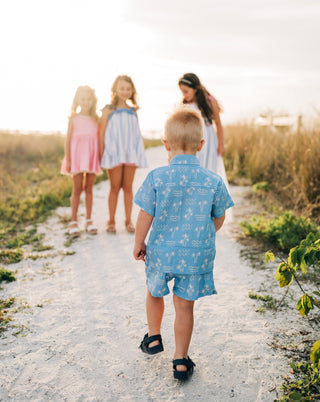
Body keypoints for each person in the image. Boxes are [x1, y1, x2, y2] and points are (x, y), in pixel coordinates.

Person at [133, 109, 234, 381]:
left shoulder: (157, 177)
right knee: (185, 306)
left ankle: (154, 337)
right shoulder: (212, 180)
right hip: (195, 256)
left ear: (166, 144)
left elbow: (145, 214)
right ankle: (180, 360)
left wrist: (139, 241)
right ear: (201, 145)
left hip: (162, 252)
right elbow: (220, 215)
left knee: (155, 292)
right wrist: (205, 232)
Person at [100, 75, 147, 234]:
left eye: (128, 89)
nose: (125, 91)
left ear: (132, 91)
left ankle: (128, 221)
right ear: (115, 89)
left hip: (130, 153)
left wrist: (138, 153)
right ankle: (111, 220)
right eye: (122, 88)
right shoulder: (108, 109)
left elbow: (136, 134)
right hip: (114, 152)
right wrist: (101, 153)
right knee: (114, 187)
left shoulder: (133, 111)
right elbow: (102, 132)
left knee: (128, 188)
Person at [61, 85, 101, 237]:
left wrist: (99, 156)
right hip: (76, 157)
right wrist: (68, 159)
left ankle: (89, 220)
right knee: (77, 189)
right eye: (83, 99)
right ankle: (73, 221)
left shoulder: (96, 119)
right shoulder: (73, 118)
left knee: (89, 188)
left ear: (93, 101)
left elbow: (98, 139)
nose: (86, 102)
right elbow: (68, 139)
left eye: (88, 99)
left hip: (91, 157)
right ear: (78, 100)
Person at [178, 73, 225, 174]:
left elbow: (218, 124)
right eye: (182, 92)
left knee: (209, 168)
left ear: (195, 88)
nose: (184, 95)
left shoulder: (210, 101)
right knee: (193, 168)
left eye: (186, 91)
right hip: (192, 139)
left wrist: (221, 145)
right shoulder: (185, 105)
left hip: (208, 139)